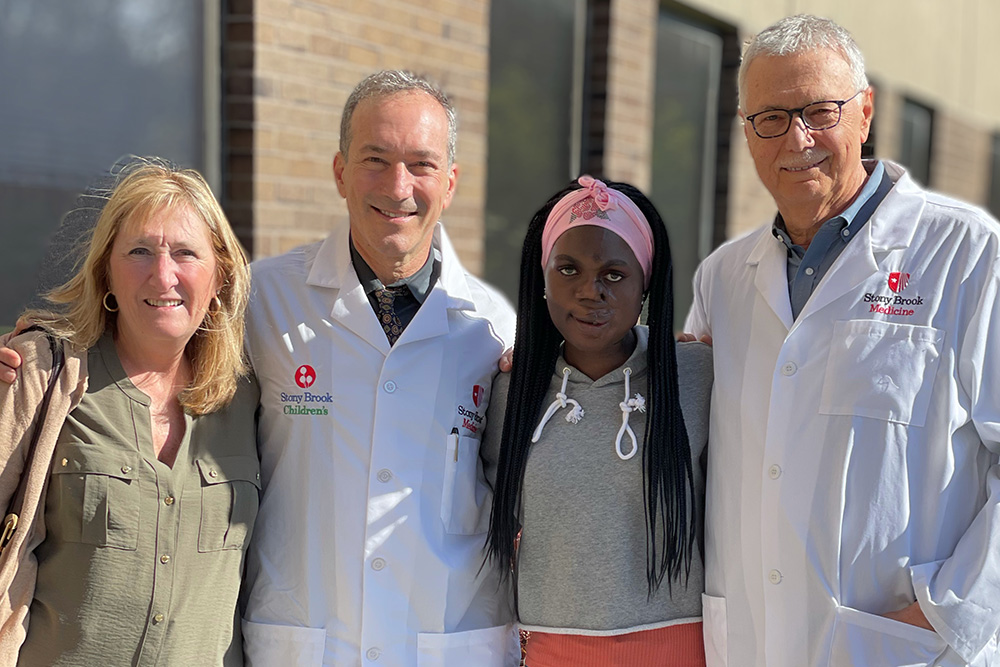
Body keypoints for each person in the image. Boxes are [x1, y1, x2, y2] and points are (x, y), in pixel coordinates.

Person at [684, 14, 1000, 667]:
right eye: (770, 117)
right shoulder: (723, 277)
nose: (797, 138)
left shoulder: (969, 254)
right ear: (747, 132)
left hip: (902, 647)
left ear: (866, 112)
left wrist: (946, 611)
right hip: (748, 641)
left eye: (819, 110)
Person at [237, 71, 518, 665]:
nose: (398, 186)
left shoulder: (495, 330)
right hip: (305, 642)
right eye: (375, 158)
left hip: (447, 642)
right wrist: (45, 350)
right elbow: (148, 349)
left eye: (421, 163)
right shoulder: (262, 301)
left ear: (450, 182)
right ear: (340, 172)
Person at [0, 160, 259, 665]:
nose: (163, 275)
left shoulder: (250, 399)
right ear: (107, 273)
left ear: (220, 276)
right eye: (139, 251)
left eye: (185, 253)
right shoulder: (45, 375)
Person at [484, 176, 712, 666]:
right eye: (568, 269)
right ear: (542, 277)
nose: (591, 291)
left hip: (678, 644)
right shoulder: (510, 393)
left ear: (645, 281)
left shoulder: (696, 376)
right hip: (549, 648)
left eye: (614, 273)